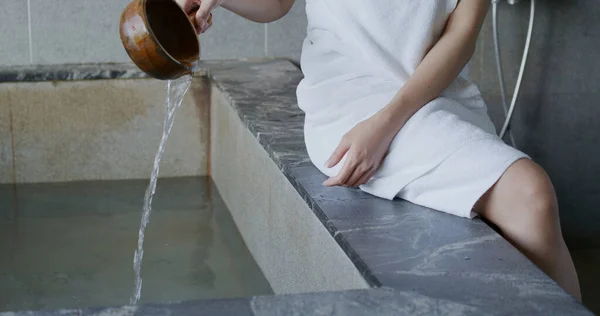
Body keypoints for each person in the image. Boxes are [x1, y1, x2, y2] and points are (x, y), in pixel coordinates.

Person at [176, 0, 581, 300]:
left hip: (426, 98)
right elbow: (277, 4)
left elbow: (462, 36)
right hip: (349, 104)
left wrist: (387, 125)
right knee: (531, 194)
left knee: (527, 209)